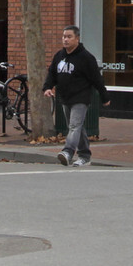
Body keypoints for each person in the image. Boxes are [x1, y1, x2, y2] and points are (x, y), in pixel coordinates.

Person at [42, 24, 107, 167]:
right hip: (65, 98)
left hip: (81, 98)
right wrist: (47, 87)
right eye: (64, 37)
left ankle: (68, 151)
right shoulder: (59, 56)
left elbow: (96, 79)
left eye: (69, 37)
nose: (65, 40)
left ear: (77, 38)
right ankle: (85, 156)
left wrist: (104, 96)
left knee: (74, 126)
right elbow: (52, 73)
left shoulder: (86, 58)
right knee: (78, 127)